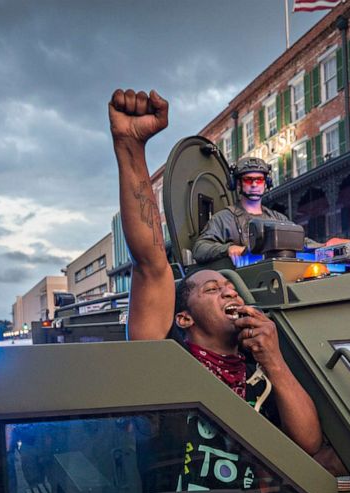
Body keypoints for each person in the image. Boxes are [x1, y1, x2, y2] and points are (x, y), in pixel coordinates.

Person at [109, 88, 326, 463]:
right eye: (213, 287)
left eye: (231, 288)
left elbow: (308, 445)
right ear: (183, 316)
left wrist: (273, 360)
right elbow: (151, 261)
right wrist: (130, 147)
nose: (230, 292)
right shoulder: (169, 364)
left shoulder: (259, 366)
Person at [191, 156, 319, 269]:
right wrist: (228, 249)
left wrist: (324, 245)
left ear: (266, 183)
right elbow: (199, 248)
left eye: (259, 180)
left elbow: (299, 241)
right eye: (248, 179)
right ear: (238, 184)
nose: (254, 184)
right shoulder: (224, 219)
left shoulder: (278, 219)